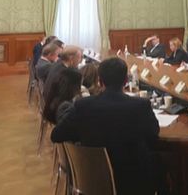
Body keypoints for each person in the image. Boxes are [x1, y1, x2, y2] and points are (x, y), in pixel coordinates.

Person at [51, 57, 161, 195]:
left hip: (93, 181)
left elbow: (56, 135)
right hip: (134, 182)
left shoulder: (83, 106)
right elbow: (153, 135)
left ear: (100, 81)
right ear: (125, 81)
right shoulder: (141, 106)